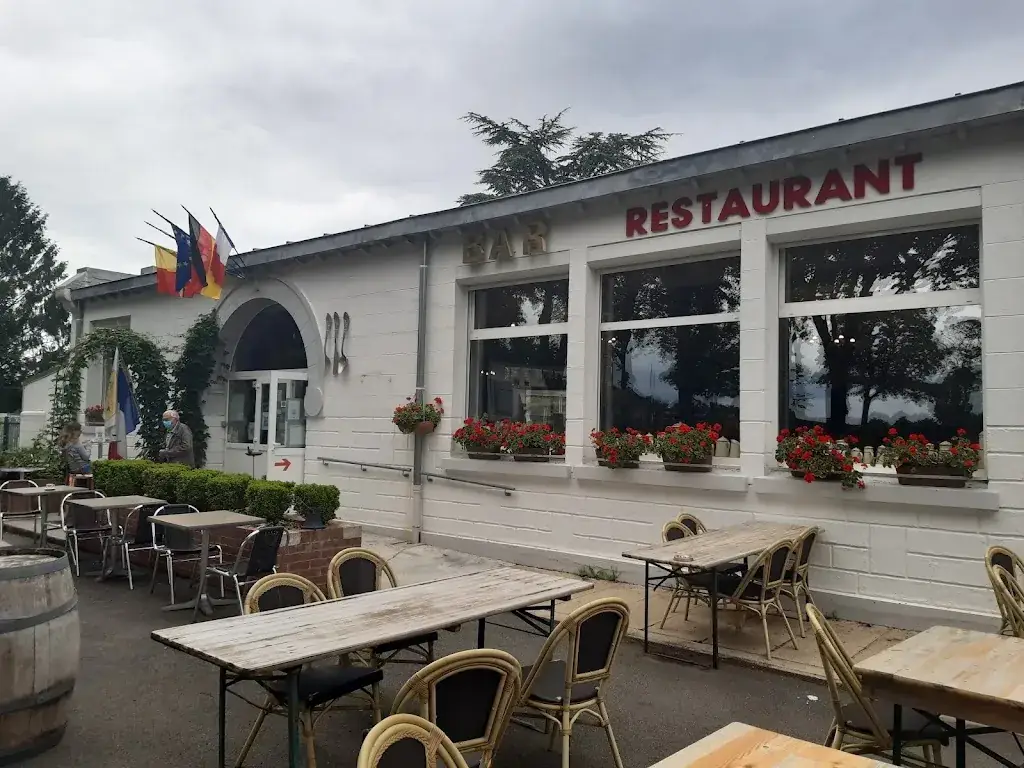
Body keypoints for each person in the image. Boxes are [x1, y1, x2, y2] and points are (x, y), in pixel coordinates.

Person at [58, 421, 93, 486]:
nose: (81, 432)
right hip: (83, 469)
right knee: (96, 467)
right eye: (79, 430)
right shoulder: (76, 443)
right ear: (74, 431)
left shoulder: (66, 443)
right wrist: (89, 447)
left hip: (73, 470)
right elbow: (86, 457)